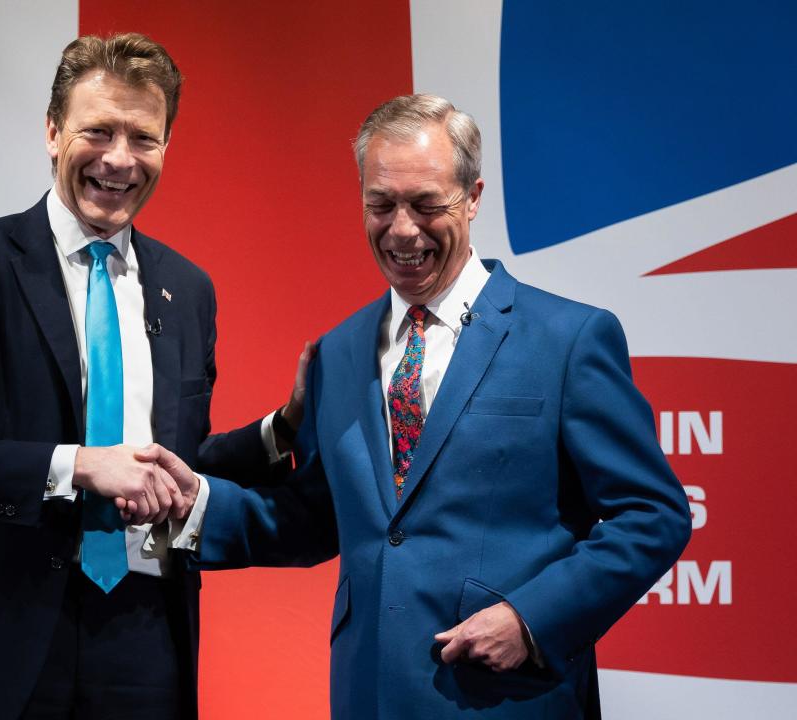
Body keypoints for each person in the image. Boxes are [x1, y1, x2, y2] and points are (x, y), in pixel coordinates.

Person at [145, 94, 692, 719]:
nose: (402, 229)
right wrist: (199, 509)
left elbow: (652, 515)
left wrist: (530, 618)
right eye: (380, 204)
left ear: (474, 197)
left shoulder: (569, 339)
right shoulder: (339, 351)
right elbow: (319, 516)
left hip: (509, 699)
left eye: (427, 204)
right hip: (369, 694)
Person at [0, 33, 294, 720]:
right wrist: (76, 467)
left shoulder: (188, 289)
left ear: (166, 147)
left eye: (143, 137)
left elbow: (171, 466)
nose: (119, 159)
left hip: (146, 638)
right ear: (52, 131)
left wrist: (284, 429)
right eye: (98, 130)